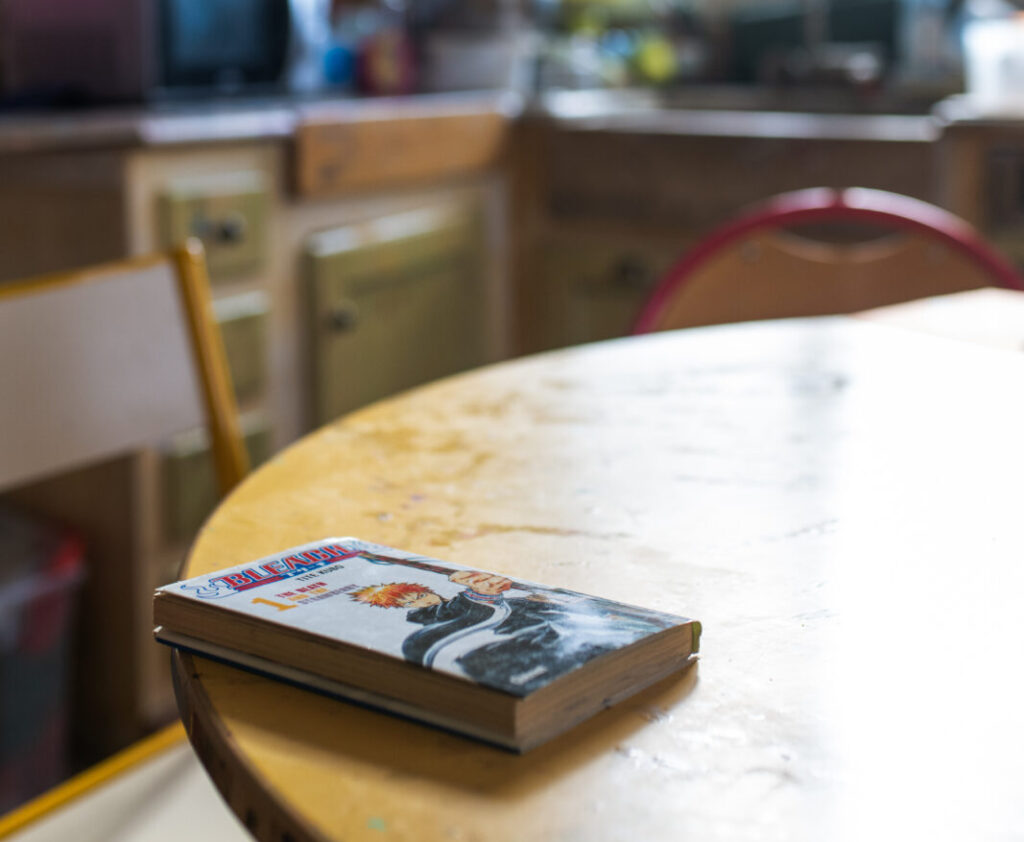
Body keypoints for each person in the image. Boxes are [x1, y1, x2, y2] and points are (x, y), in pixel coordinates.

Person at [351, 570, 675, 694]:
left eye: (417, 592)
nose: (420, 599)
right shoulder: (429, 618)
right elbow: (467, 613)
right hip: (534, 640)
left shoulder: (451, 603)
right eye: (409, 600)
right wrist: (478, 592)